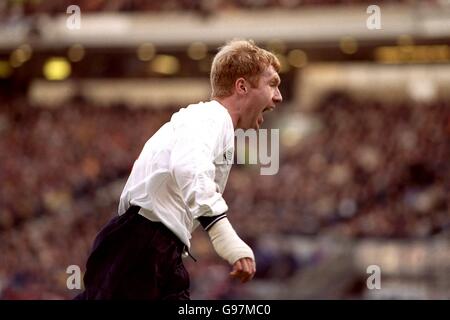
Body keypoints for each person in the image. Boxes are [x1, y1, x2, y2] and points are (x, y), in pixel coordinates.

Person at [75, 39, 282, 300]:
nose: (278, 96)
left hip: (155, 248)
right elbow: (188, 166)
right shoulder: (212, 117)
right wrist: (226, 238)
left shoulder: (214, 124)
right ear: (241, 86)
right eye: (272, 84)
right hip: (141, 245)